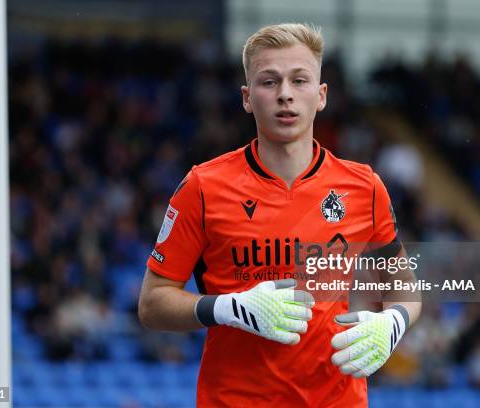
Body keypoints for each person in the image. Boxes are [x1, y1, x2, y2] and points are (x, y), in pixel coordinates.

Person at [139, 23, 421, 407]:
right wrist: (227, 307)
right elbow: (152, 304)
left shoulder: (365, 187)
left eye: (299, 80)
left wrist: (393, 323)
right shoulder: (202, 187)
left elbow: (403, 286)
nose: (285, 95)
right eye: (269, 82)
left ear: (321, 96)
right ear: (247, 97)